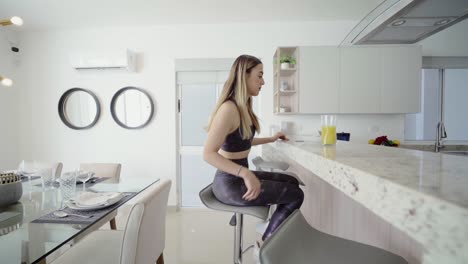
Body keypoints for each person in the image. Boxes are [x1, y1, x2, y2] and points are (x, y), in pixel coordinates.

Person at [203, 54, 304, 242]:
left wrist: (271, 138)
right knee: (296, 194)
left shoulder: (242, 108)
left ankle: (273, 225)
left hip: (237, 179)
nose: (263, 81)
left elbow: (242, 143)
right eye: (259, 75)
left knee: (292, 182)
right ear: (244, 76)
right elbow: (208, 154)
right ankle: (266, 244)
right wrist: (246, 174)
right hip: (229, 185)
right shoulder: (228, 109)